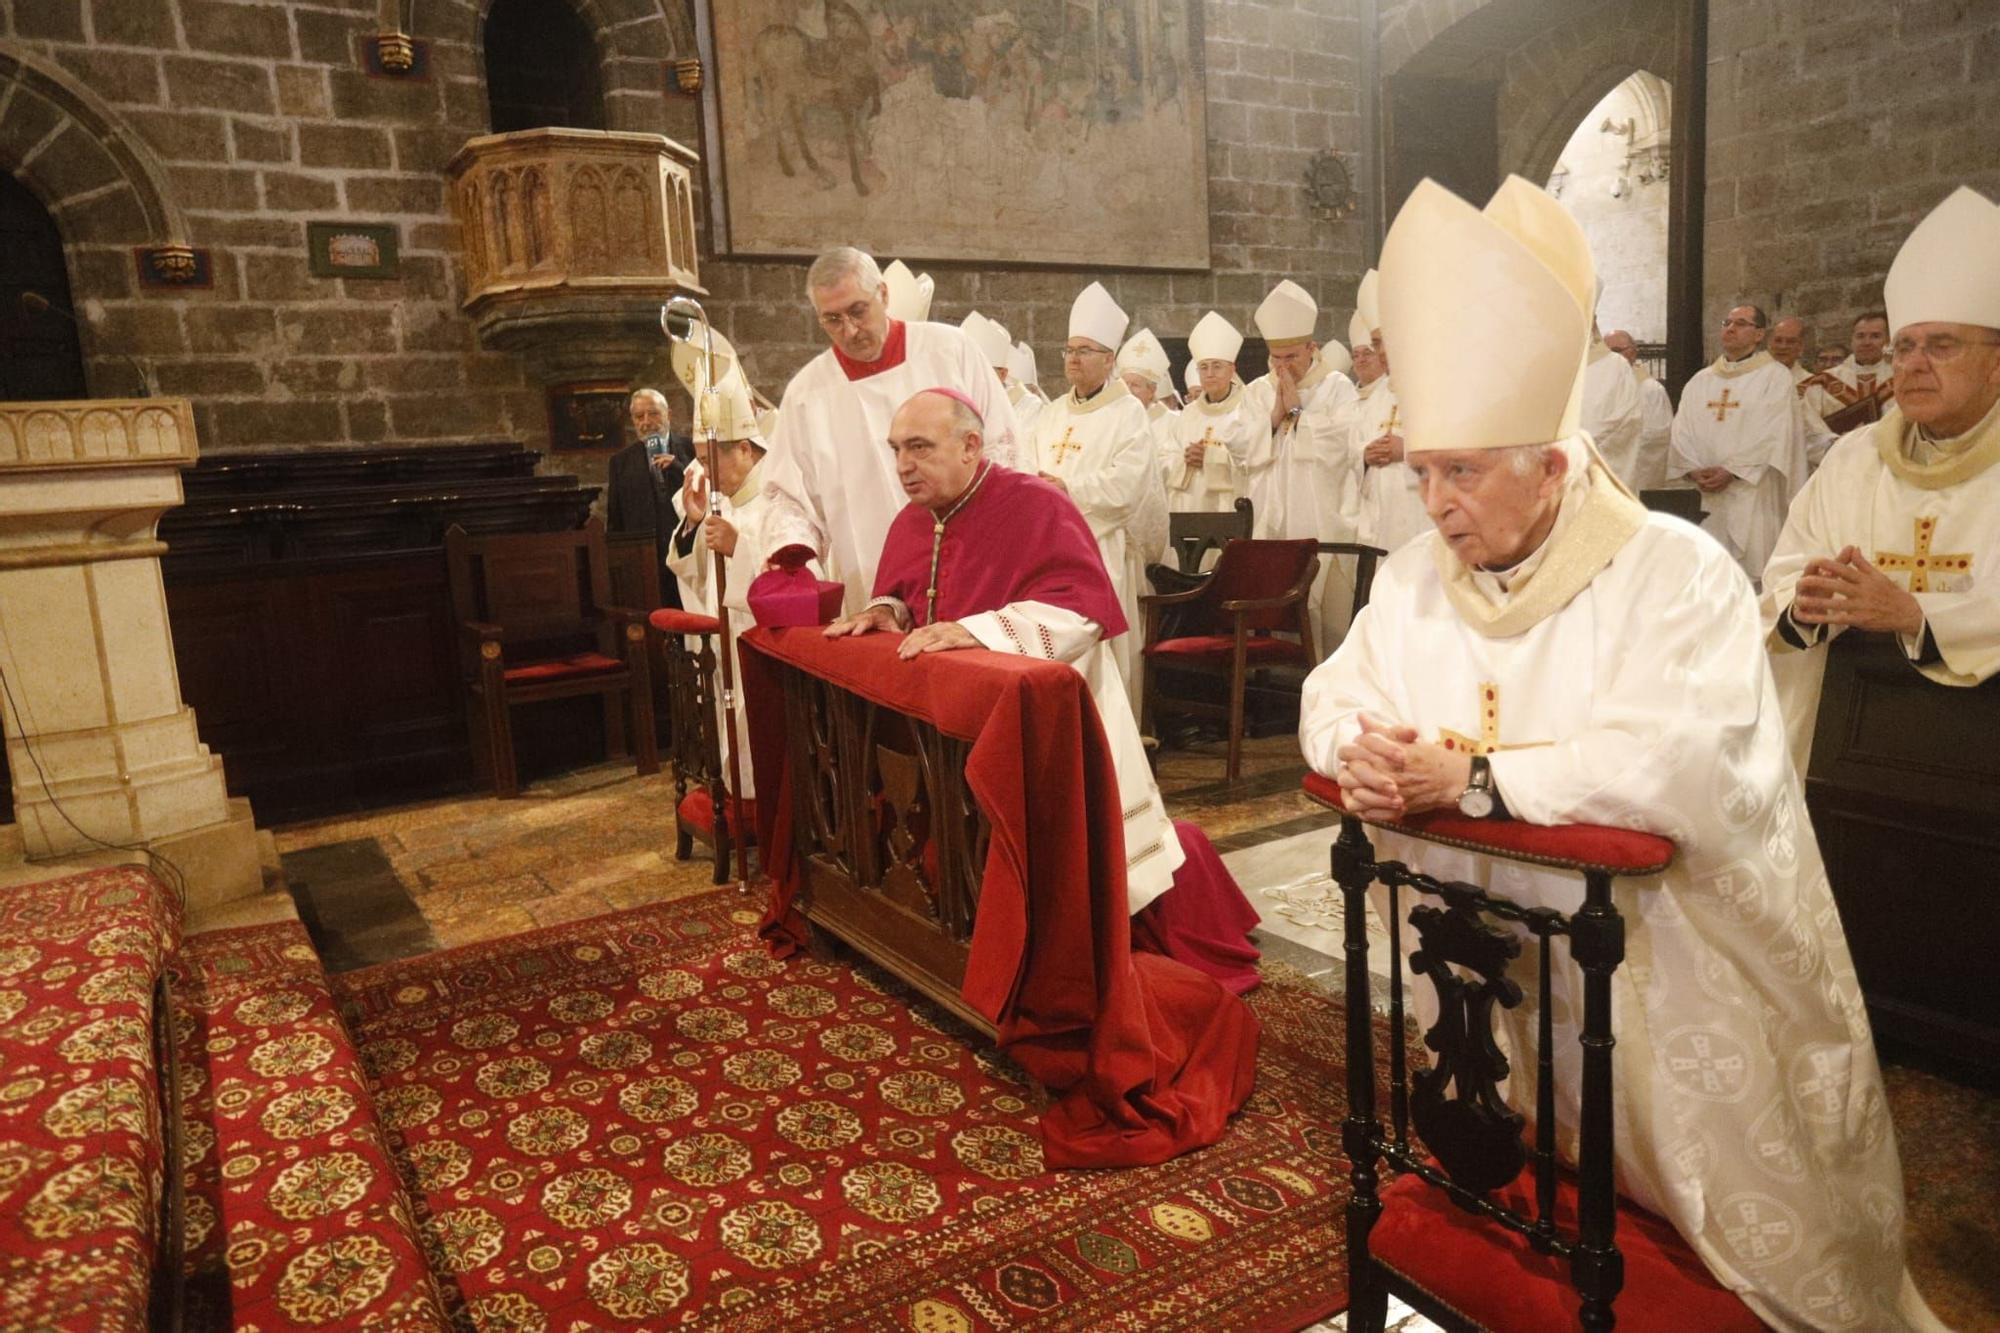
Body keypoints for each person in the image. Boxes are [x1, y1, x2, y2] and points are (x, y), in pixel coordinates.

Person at [1302, 174, 1941, 1333]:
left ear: (1551, 465)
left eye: (1462, 472)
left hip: (1672, 966)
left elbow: (1686, 761)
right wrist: (1357, 746)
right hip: (1497, 959)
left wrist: (1479, 778)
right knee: (1529, 1158)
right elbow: (1333, 688)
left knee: (1722, 1232)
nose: (1433, 506)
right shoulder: (1411, 580)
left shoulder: (1671, 570)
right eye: (1422, 475)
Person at [827, 388, 1261, 992]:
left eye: (919, 448)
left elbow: (1083, 612)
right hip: (954, 721)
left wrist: (975, 630)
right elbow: (910, 591)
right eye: (897, 448)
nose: (902, 464)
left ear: (971, 446)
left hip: (1051, 718)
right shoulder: (912, 518)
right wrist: (884, 608)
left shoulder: (1034, 505)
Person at [1762, 185, 2000, 768]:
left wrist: (1919, 617)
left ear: (1997, 365)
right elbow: (1789, 568)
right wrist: (1805, 601)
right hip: (1851, 739)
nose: (1914, 364)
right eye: (1905, 348)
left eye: (1941, 346)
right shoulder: (1855, 457)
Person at [759, 246, 1018, 614]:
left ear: (882, 294)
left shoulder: (949, 350)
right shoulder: (807, 393)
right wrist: (792, 547)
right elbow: (787, 494)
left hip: (973, 553)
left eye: (857, 311)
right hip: (870, 572)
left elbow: (1001, 447)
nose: (849, 330)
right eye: (832, 320)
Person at [1028, 281, 1167, 720]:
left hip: (1100, 549)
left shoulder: (1128, 414)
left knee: (1102, 665)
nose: (1073, 358)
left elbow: (1128, 486)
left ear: (1109, 360)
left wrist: (1067, 489)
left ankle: (1110, 746)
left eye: (1085, 350)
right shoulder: (1049, 413)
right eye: (1069, 349)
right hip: (1047, 552)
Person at [665, 374, 789, 797]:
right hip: (728, 647)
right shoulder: (725, 505)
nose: (703, 470)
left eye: (710, 458)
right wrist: (695, 523)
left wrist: (741, 551)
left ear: (744, 448)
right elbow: (696, 575)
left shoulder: (780, 500)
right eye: (698, 458)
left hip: (770, 650)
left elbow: (802, 578)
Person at [1240, 279, 1362, 646]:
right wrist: (1274, 417)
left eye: (1291, 357)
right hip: (1271, 513)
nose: (1282, 367)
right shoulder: (1257, 390)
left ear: (1312, 348)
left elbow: (1345, 441)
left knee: (1324, 605)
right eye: (1276, 358)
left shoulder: (1337, 386)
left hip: (1321, 510)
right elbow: (1240, 446)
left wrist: (1298, 412)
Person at [1667, 304, 1810, 581]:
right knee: (1705, 573)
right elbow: (1681, 429)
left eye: (1740, 323)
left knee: (1750, 574)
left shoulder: (1775, 377)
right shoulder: (1701, 380)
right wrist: (1693, 468)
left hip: (1752, 491)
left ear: (1759, 334)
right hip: (1704, 492)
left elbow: (1775, 433)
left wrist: (1732, 471)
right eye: (1726, 322)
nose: (1730, 328)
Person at [1348, 268, 1430, 556]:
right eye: (1376, 343)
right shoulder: (1376, 395)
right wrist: (1365, 456)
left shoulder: (1433, 386)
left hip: (1423, 516)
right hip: (1380, 518)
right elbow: (1352, 445)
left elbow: (1461, 450)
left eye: (1383, 341)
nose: (1380, 351)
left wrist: (1406, 451)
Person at [1161, 311, 1251, 531]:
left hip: (1228, 510)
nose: (1209, 373)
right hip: (1187, 508)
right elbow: (1163, 458)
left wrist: (1210, 459)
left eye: (1217, 366)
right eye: (1204, 367)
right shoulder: (1188, 414)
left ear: (1232, 369)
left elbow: (1256, 462)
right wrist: (1184, 459)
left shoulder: (1249, 409)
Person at [1579, 320, 1645, 490]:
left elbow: (1629, 421)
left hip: (1598, 476)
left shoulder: (1616, 365)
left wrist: (1581, 444)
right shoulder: (1548, 365)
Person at [1604, 328, 1674, 489]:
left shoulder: (1651, 390)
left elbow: (1657, 439)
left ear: (1633, 353)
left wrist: (1612, 444)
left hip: (1633, 478)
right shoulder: (1598, 389)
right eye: (1605, 353)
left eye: (1616, 351)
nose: (1610, 358)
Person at [1802, 310, 1896, 427]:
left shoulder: (1900, 378)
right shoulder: (1823, 382)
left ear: (1887, 341)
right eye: (1860, 336)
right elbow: (1810, 424)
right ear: (1852, 340)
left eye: (1875, 336)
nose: (1866, 342)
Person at [1769, 315, 1838, 466]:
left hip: (1801, 463)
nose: (1783, 346)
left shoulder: (1813, 384)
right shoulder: (1756, 381)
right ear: (1770, 344)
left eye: (1790, 341)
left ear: (1800, 347)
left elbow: (1819, 427)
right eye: (1778, 340)